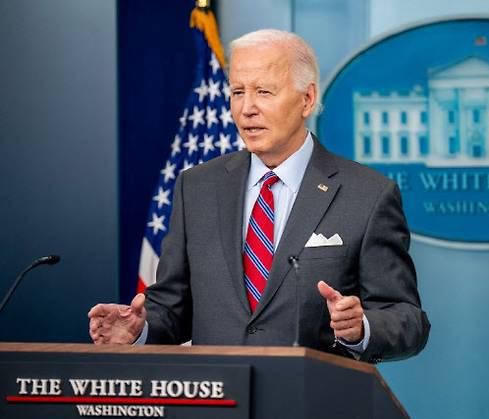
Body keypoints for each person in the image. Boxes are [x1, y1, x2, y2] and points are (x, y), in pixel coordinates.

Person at [88, 29, 430, 363]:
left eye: (264, 91)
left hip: (313, 408)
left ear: (307, 99)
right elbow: (172, 309)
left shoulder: (367, 195)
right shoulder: (197, 187)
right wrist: (137, 332)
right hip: (217, 409)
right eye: (238, 92)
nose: (247, 108)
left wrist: (361, 328)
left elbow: (407, 318)